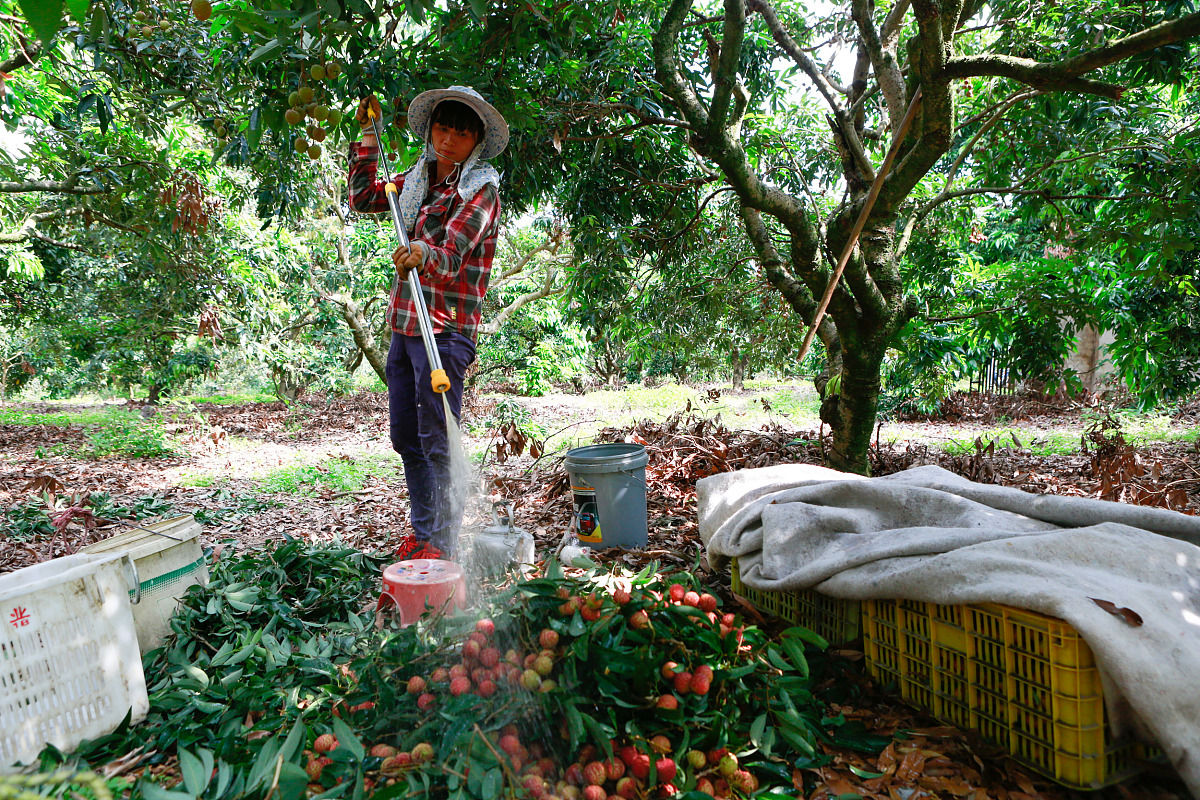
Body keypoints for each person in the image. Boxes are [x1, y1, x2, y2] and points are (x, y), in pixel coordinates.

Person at [349, 86, 508, 560]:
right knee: (405, 436)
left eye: (462, 132)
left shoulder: (481, 190)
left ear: (476, 140)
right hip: (404, 327)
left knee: (438, 440)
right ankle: (423, 533)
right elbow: (360, 197)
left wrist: (422, 252)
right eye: (443, 127)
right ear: (431, 129)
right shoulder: (414, 182)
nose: (449, 139)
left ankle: (443, 544)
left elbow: (454, 250)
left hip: (446, 330)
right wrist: (368, 139)